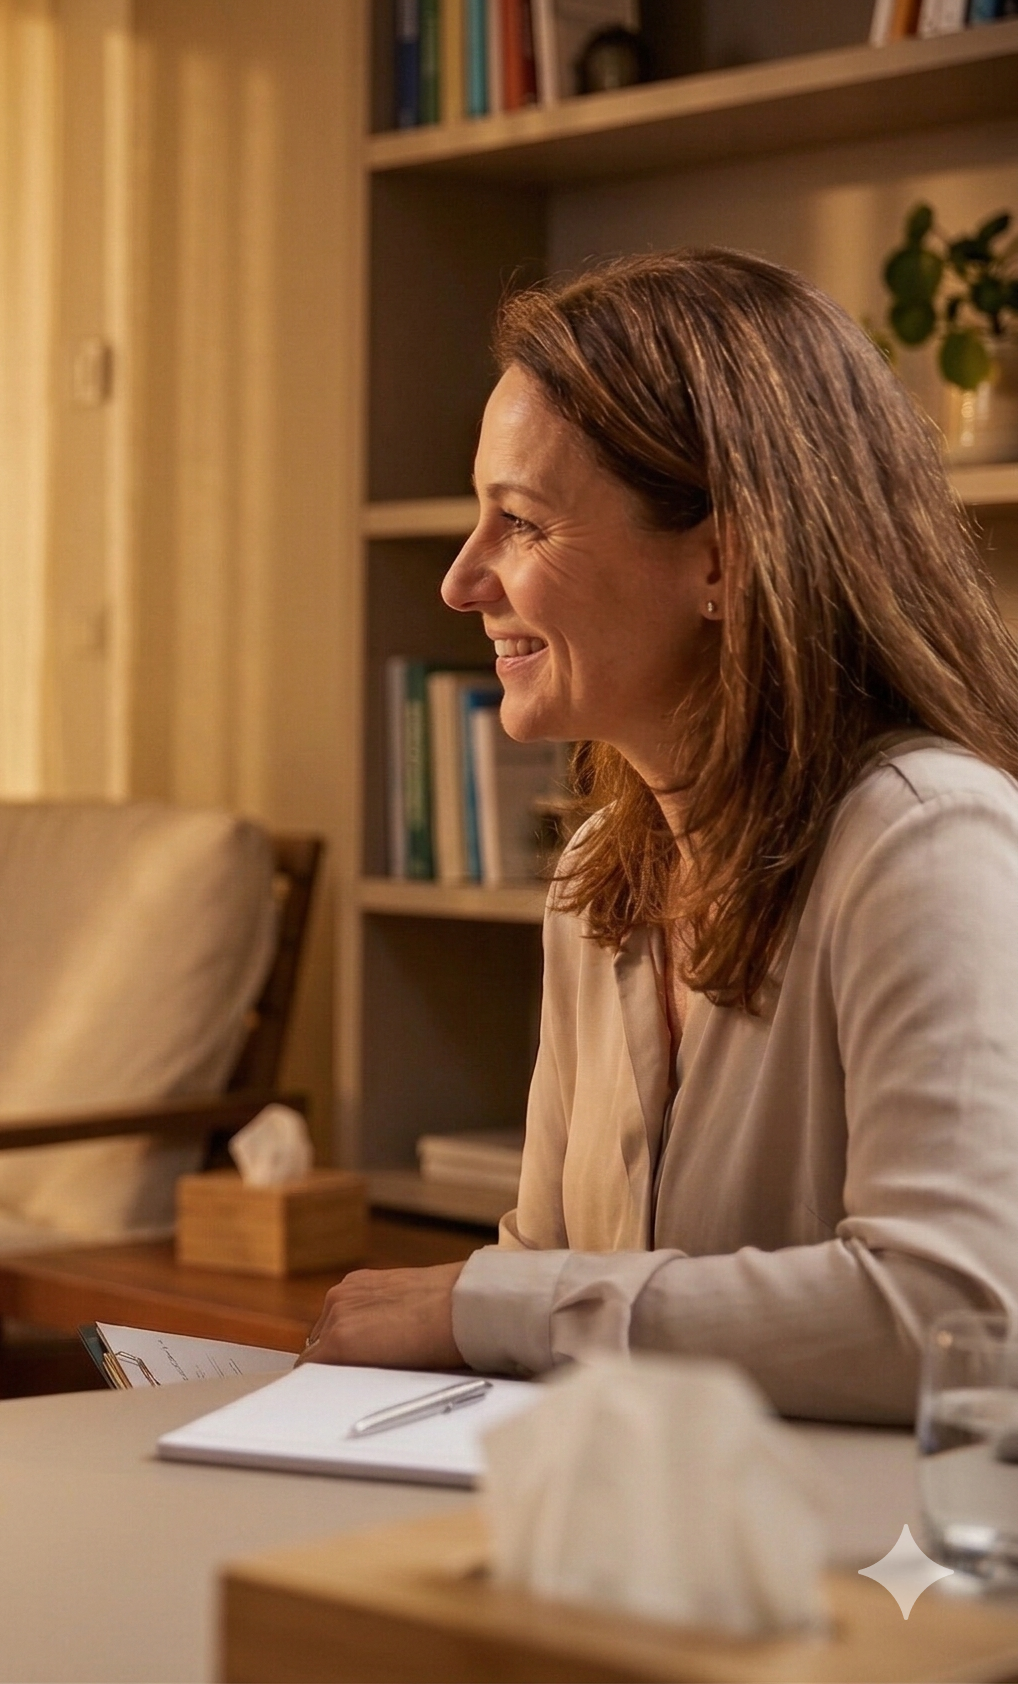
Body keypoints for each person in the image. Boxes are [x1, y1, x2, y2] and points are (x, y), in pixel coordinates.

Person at [301, 249, 1018, 1423]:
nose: (459, 580)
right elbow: (538, 1264)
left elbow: (948, 1314)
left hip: (866, 1583)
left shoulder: (924, 844)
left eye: (518, 523)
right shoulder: (596, 881)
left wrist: (491, 1305)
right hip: (628, 1551)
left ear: (722, 561)